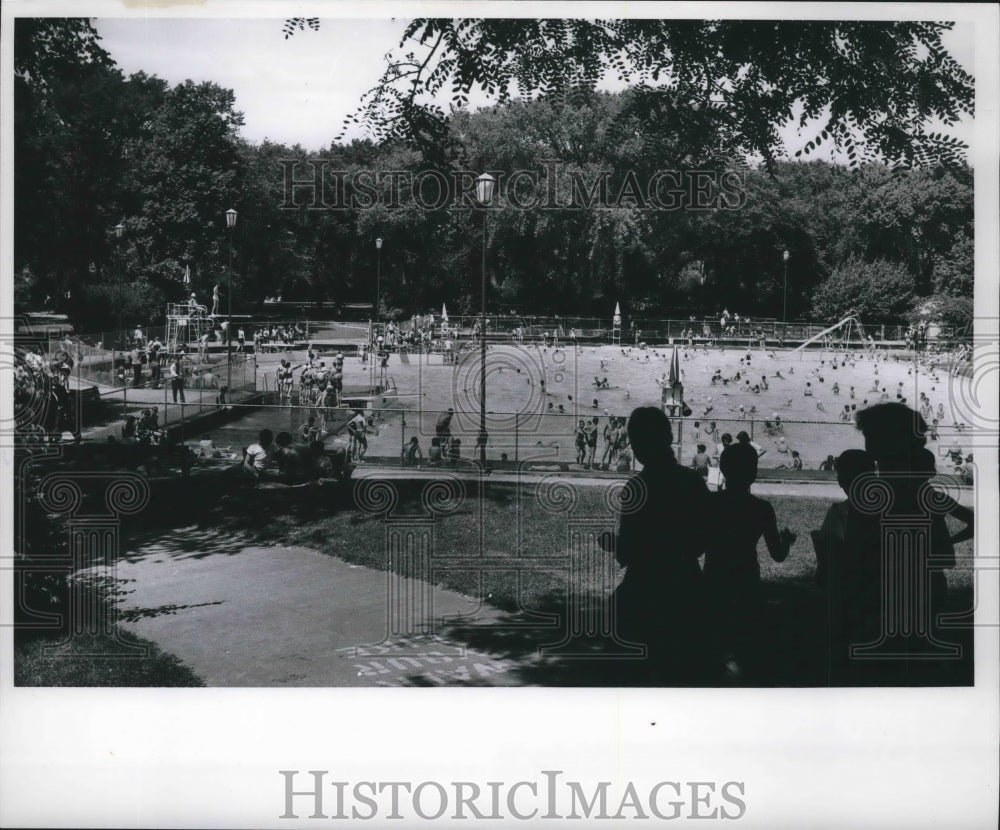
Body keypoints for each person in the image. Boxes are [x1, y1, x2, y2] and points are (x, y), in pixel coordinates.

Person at [598, 407, 712, 684]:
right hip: (686, 581)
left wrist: (613, 543)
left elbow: (628, 552)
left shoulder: (637, 488)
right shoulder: (693, 482)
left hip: (645, 586)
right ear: (668, 437)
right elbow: (703, 538)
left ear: (638, 446)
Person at [704, 442, 796, 680]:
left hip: (715, 576)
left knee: (715, 637)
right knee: (745, 638)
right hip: (747, 578)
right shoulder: (762, 509)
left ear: (723, 469)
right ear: (754, 472)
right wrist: (786, 541)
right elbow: (777, 555)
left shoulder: (711, 504)